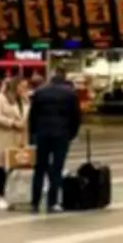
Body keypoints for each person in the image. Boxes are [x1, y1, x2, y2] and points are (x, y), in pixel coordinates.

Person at [29, 68, 81, 213]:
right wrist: (72, 134)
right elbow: (76, 116)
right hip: (61, 134)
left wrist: (33, 134)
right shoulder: (70, 94)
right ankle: (52, 202)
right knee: (57, 168)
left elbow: (32, 115)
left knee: (39, 168)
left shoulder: (40, 92)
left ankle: (35, 202)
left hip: (42, 134)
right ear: (64, 78)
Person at [0, 77, 30, 210]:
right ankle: (0, 196)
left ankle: (10, 194)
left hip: (19, 138)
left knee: (14, 168)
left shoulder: (24, 100)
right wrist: (12, 123)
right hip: (3, 137)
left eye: (26, 86)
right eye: (22, 86)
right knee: (2, 167)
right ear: (14, 86)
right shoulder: (0, 99)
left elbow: (26, 117)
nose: (24, 89)